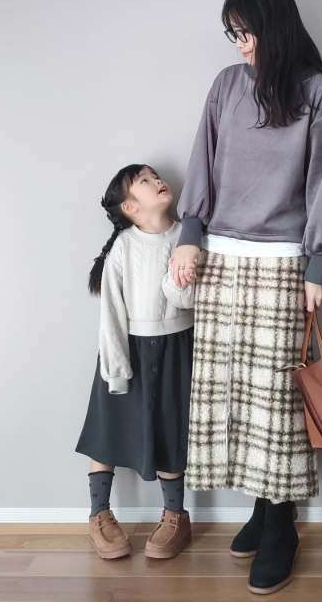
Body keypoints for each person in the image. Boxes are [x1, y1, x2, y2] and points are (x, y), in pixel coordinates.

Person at [169, 0, 322, 595]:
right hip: (221, 258)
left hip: (282, 263)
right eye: (233, 33)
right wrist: (189, 234)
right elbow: (203, 159)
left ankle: (281, 526)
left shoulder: (319, 95)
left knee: (277, 403)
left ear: (275, 25)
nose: (241, 44)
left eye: (247, 31)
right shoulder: (226, 85)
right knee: (234, 398)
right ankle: (262, 510)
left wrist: (319, 267)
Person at [75, 163, 196, 560]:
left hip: (177, 347)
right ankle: (99, 513)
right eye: (144, 180)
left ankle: (175, 516)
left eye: (154, 175)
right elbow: (111, 312)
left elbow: (188, 299)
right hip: (126, 349)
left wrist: (177, 276)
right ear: (130, 207)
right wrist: (115, 368)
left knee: (170, 428)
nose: (157, 180)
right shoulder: (123, 247)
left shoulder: (189, 237)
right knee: (109, 428)